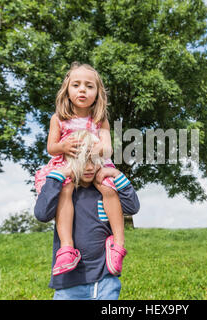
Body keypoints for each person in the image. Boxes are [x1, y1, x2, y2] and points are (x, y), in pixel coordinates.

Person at [35, 62, 126, 276]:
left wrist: (99, 148)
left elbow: (107, 147)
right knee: (65, 189)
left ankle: (118, 244)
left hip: (94, 163)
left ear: (98, 93)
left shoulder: (100, 119)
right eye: (76, 85)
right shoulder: (58, 119)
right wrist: (63, 146)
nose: (82, 89)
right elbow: (51, 147)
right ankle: (66, 248)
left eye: (89, 86)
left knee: (108, 188)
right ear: (67, 90)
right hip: (68, 164)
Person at [34, 130, 140, 300]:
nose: (90, 167)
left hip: (106, 281)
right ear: (68, 161)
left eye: (94, 160)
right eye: (83, 161)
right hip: (69, 285)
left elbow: (132, 206)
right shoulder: (64, 193)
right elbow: (42, 214)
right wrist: (58, 176)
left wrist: (117, 175)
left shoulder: (105, 190)